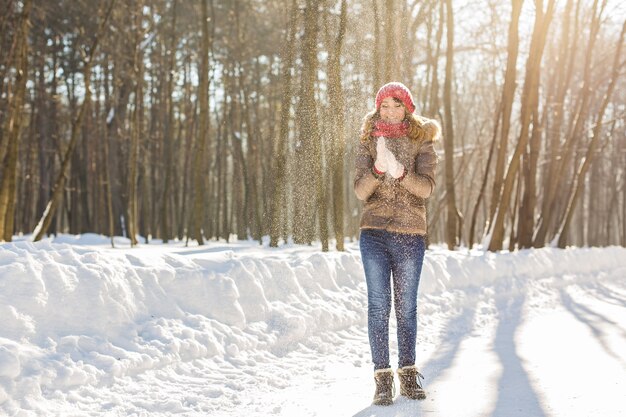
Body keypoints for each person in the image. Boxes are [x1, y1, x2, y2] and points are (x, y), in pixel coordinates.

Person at [353, 81, 440, 406]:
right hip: (373, 233)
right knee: (378, 308)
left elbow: (427, 189)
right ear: (378, 108)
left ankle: (407, 373)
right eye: (384, 106)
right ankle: (382, 379)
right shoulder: (367, 140)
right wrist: (377, 168)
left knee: (406, 309)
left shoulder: (422, 142)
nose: (389, 111)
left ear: (407, 107)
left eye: (396, 105)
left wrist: (401, 173)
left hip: (409, 235)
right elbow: (361, 191)